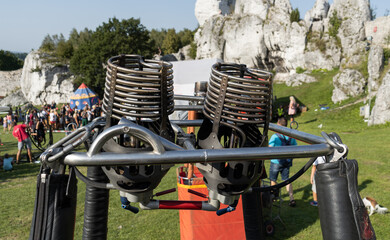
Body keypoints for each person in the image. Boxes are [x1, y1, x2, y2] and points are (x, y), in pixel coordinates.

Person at [268, 117, 297, 207]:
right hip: (286, 161)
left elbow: (270, 147)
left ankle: (274, 197)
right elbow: (295, 147)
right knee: (287, 180)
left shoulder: (275, 136)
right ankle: (291, 198)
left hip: (276, 161)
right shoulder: (290, 136)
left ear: (278, 124)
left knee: (273, 180)